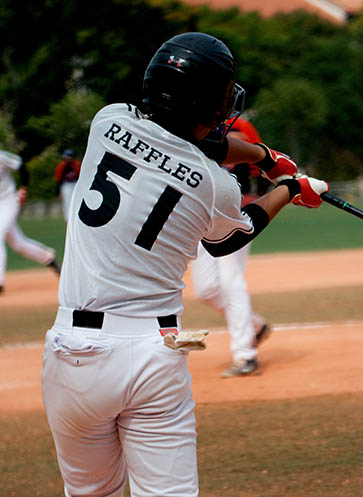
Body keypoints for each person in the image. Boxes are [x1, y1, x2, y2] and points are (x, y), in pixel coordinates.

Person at [41, 32, 328, 497]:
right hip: (153, 354)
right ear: (212, 106)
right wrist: (289, 189)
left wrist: (264, 157)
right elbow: (232, 236)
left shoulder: (106, 121)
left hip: (72, 351)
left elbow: (183, 140)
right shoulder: (216, 187)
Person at [190, 116, 272, 378]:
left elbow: (256, 154)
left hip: (235, 212)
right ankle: (255, 326)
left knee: (230, 280)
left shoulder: (239, 125)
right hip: (200, 214)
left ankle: (245, 355)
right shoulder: (184, 122)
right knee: (205, 289)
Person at [0, 150, 60, 294]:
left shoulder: (1, 157)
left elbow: (20, 165)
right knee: (19, 244)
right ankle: (48, 257)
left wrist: (23, 188)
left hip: (8, 201)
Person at [53, 148, 81, 221]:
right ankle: (68, 221)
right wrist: (59, 193)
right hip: (66, 186)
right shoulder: (61, 166)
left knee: (77, 203)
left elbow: (81, 177)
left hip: (76, 185)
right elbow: (58, 180)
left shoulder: (77, 165)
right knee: (67, 205)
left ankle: (77, 220)